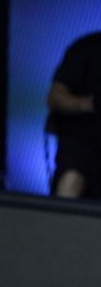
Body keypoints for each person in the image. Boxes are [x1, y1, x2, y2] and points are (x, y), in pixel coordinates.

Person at [46, 32, 101, 199]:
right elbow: (54, 97)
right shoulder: (87, 47)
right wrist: (90, 103)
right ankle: (59, 223)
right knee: (71, 179)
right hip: (85, 144)